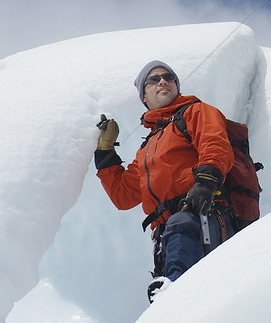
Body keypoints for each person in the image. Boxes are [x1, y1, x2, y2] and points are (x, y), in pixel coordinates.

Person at [94, 60, 235, 301]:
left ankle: (172, 294)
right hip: (170, 235)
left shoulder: (195, 111)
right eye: (154, 79)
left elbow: (215, 144)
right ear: (144, 97)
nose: (163, 81)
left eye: (169, 77)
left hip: (202, 214)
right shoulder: (148, 146)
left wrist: (205, 183)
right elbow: (123, 195)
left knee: (176, 283)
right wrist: (105, 152)